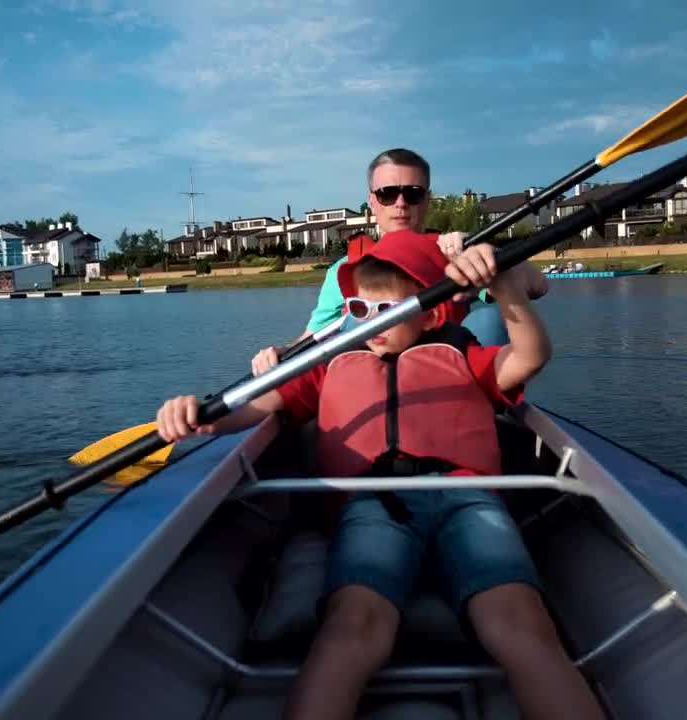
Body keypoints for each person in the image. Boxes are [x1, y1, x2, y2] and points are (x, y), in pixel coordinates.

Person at [156, 231, 603, 720]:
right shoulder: (329, 367)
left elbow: (530, 356)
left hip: (468, 499)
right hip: (373, 503)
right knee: (353, 626)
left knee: (520, 624)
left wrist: (504, 290)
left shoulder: (462, 355)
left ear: (431, 313)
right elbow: (255, 406)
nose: (369, 322)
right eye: (358, 309)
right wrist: (201, 413)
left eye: (385, 310)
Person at [250, 147, 545, 376]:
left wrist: (486, 255)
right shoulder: (343, 269)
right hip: (370, 389)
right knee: (355, 321)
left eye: (412, 194)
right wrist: (282, 352)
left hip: (452, 379)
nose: (401, 203)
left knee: (488, 319)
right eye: (388, 194)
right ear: (373, 202)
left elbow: (538, 284)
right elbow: (314, 337)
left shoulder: (455, 253)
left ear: (427, 200)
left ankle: (485, 416)